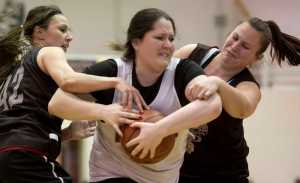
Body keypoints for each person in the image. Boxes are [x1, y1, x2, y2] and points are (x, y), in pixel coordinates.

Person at [48, 8, 222, 183]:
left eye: (171, 38)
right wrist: (102, 111)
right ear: (136, 42)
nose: (168, 44)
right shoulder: (112, 71)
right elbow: (57, 103)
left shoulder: (183, 71)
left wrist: (159, 130)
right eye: (160, 38)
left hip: (162, 177)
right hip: (111, 173)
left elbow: (214, 105)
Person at [0, 5, 146, 183]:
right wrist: (116, 81)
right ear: (39, 32)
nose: (69, 37)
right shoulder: (49, 51)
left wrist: (67, 133)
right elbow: (68, 80)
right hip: (26, 154)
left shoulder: (11, 71)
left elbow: (19, 125)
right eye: (62, 30)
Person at [174, 17, 300, 183]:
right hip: (178, 167)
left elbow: (244, 108)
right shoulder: (191, 53)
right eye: (235, 38)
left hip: (223, 174)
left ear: (256, 58)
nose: (234, 47)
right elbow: (159, 78)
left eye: (245, 46)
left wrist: (217, 83)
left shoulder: (248, 86)